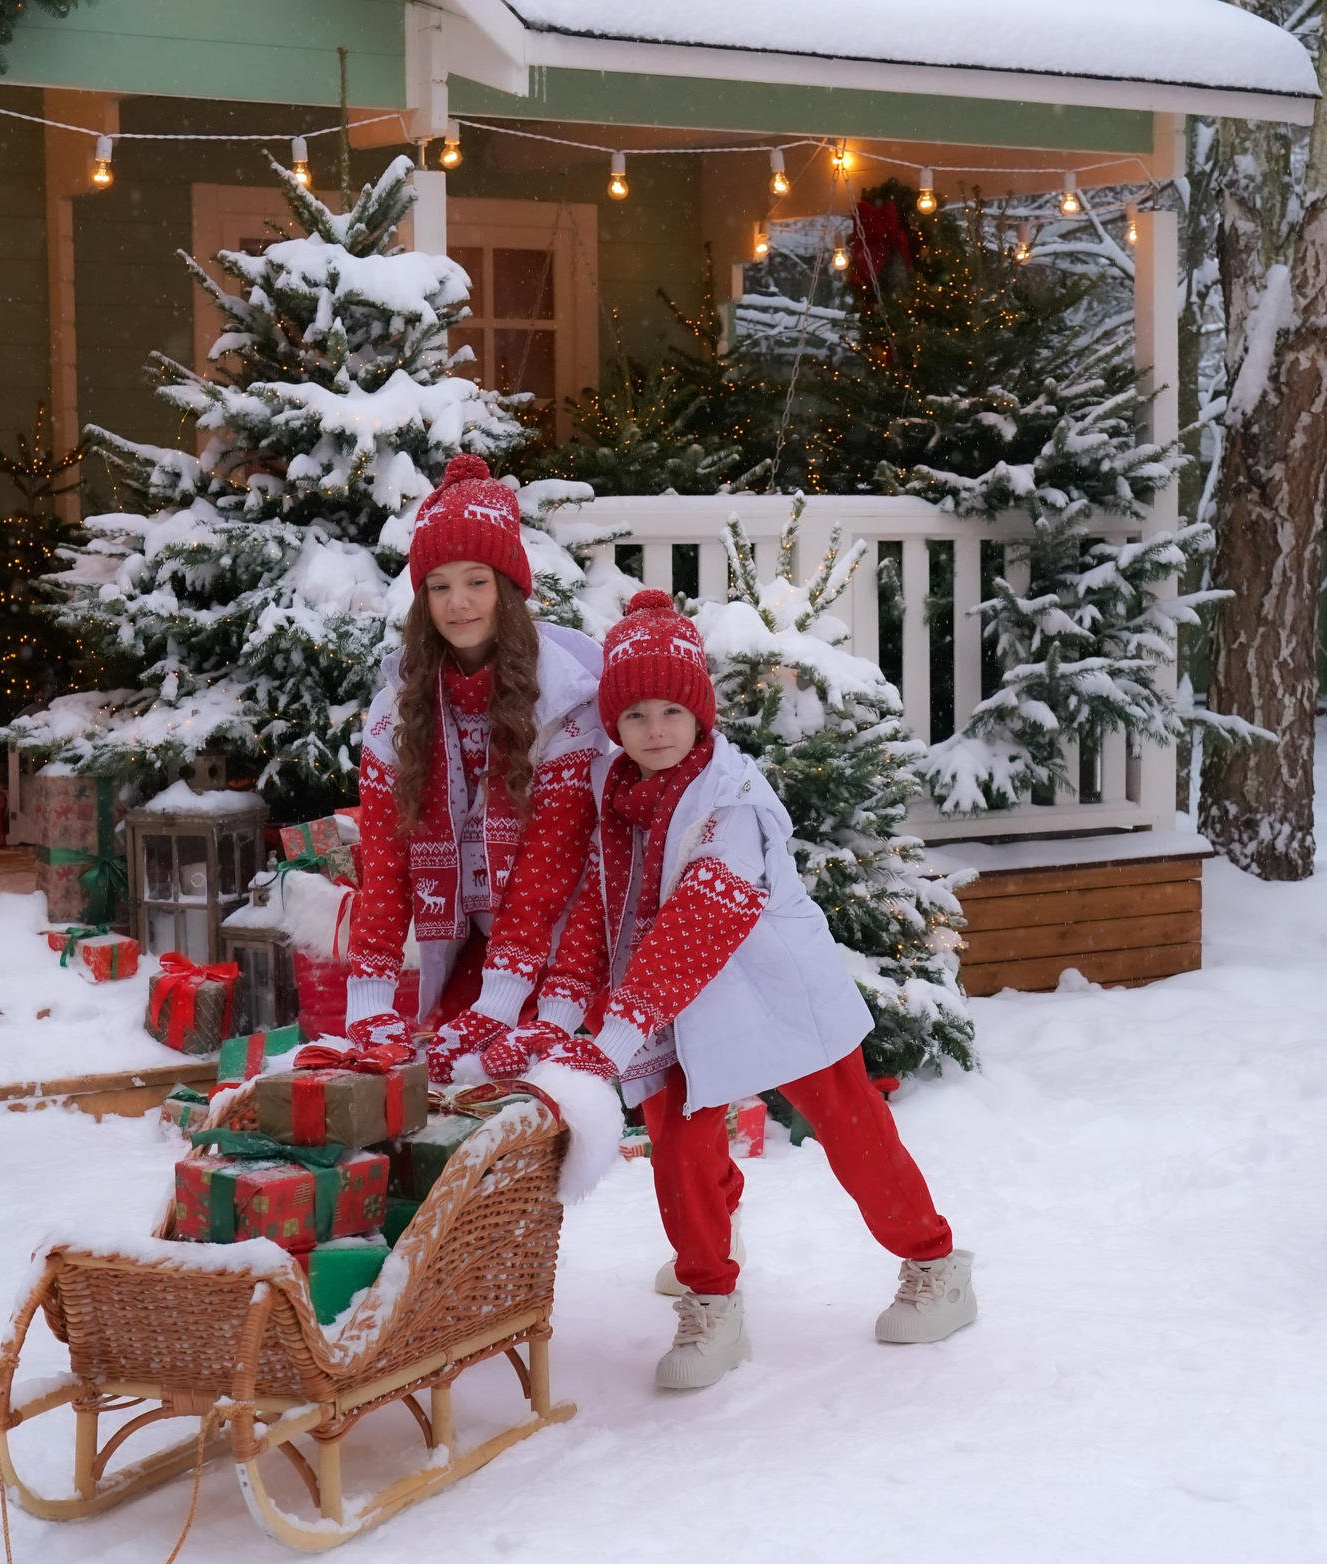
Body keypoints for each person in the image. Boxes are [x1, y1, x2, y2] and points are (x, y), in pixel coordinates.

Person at [501, 589, 978, 1390]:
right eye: (635, 714)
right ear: (615, 724)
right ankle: (712, 1293)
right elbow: (594, 907)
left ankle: (934, 1262)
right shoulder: (613, 795)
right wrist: (564, 1004)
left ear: (700, 713)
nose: (655, 729)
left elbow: (700, 918)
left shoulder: (732, 799)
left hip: (773, 993)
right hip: (675, 1005)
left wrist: (620, 1025)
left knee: (852, 1128)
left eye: (672, 710)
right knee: (681, 1151)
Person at [344, 455, 607, 1080]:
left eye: (476, 581)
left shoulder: (565, 701)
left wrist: (502, 1001)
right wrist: (370, 997)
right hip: (474, 938)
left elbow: (550, 865)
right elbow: (385, 862)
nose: (457, 603)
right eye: (438, 586)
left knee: (543, 1094)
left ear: (508, 588)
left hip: (569, 942)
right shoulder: (398, 710)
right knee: (444, 1081)